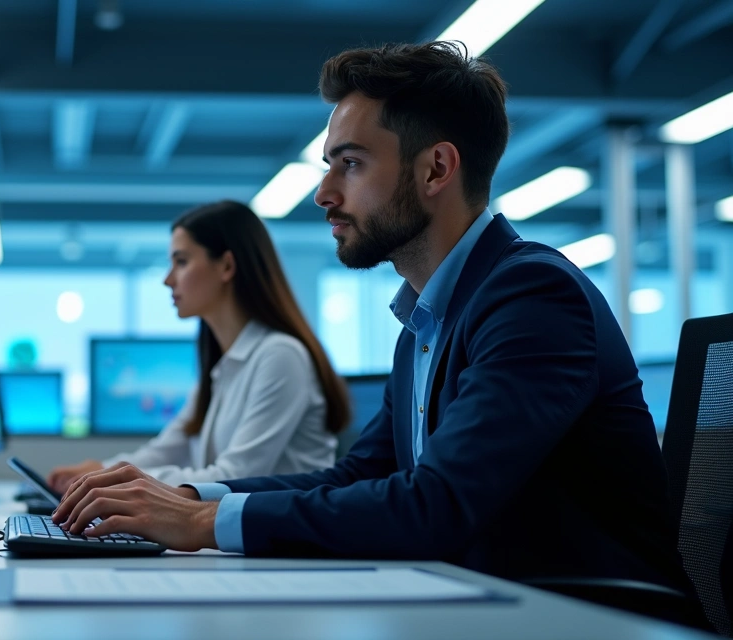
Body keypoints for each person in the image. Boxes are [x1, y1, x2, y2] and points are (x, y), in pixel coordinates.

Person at [52, 41, 697, 609]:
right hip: (489, 604)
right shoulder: (426, 320)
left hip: (593, 621)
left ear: (436, 169)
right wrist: (187, 494)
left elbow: (435, 506)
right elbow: (356, 478)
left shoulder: (532, 296)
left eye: (350, 164)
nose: (323, 193)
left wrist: (202, 520)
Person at [48, 200, 352, 493]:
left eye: (181, 262)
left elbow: (233, 479)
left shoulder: (280, 356)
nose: (168, 280)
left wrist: (115, 480)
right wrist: (102, 470)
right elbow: (169, 448)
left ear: (227, 266)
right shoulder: (223, 365)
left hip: (283, 542)